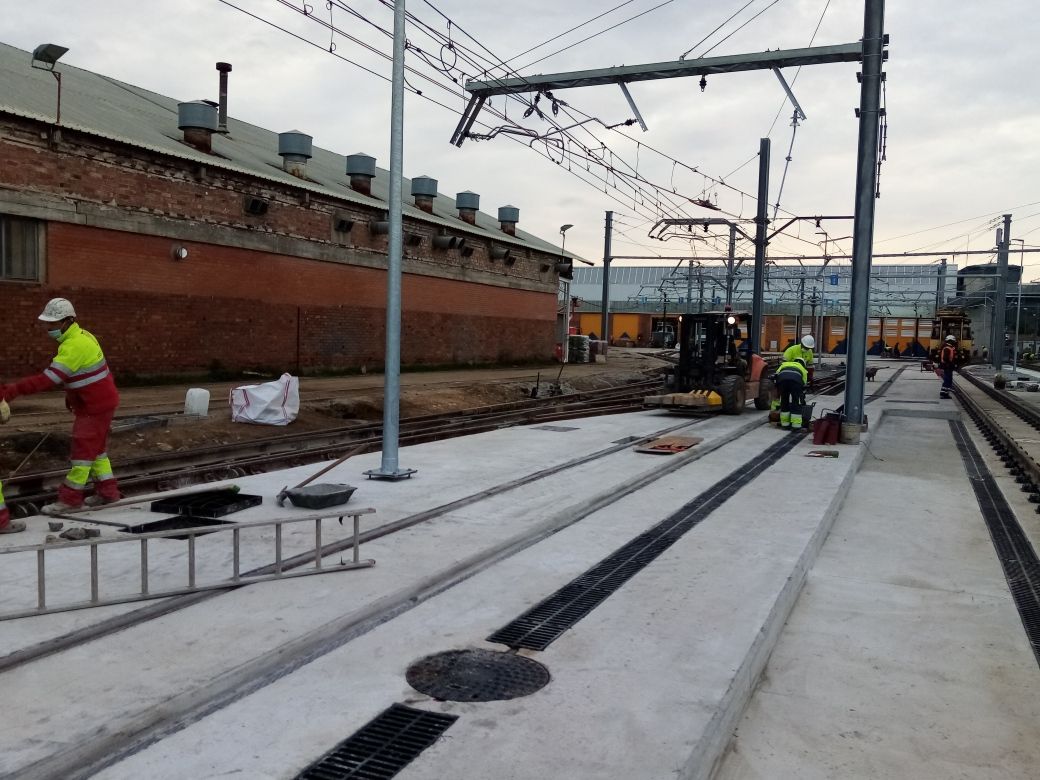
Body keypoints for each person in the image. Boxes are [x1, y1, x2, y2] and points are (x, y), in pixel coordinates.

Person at [0, 298, 121, 514]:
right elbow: (83, 374)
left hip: (94, 407)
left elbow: (49, 379)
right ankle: (108, 492)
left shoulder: (74, 345)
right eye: (48, 323)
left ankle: (71, 499)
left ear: (67, 321)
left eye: (53, 324)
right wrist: (72, 396)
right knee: (97, 451)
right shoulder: (83, 336)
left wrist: (11, 391)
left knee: (82, 454)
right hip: (97, 403)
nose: (49, 328)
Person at [774, 356, 808, 430]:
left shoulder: (784, 364)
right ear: (803, 364)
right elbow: (804, 384)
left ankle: (785, 424)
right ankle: (796, 426)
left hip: (782, 381)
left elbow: (776, 374)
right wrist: (801, 396)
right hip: (795, 382)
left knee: (784, 401)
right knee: (796, 402)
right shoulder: (803, 369)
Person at [939, 335, 957, 399]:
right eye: (953, 341)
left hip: (948, 366)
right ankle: (944, 394)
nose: (954, 342)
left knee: (948, 380)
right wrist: (950, 364)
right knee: (947, 380)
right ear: (950, 341)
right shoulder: (947, 348)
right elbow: (946, 358)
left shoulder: (949, 347)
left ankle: (945, 393)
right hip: (947, 366)